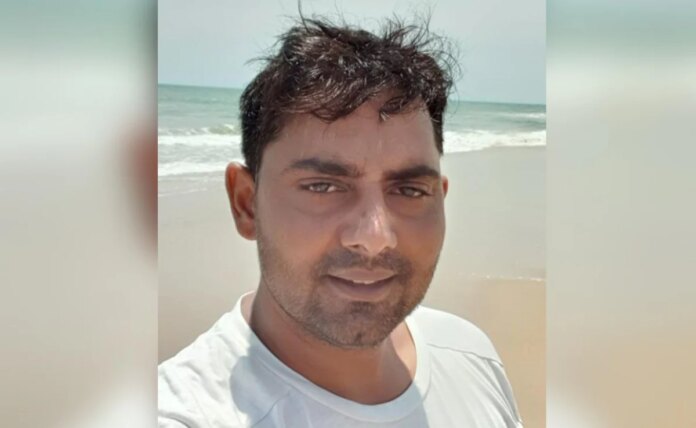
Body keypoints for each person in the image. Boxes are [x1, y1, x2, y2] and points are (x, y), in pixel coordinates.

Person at [158, 16, 523, 428]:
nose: (375, 237)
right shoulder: (188, 414)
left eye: (409, 190)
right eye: (323, 187)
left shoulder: (470, 355)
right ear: (246, 204)